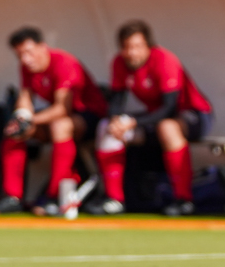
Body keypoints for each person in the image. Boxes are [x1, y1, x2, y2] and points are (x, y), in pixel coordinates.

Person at [87, 20, 213, 216]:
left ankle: (183, 199)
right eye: (127, 47)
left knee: (167, 127)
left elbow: (169, 108)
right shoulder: (119, 62)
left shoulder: (164, 60)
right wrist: (115, 121)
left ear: (148, 46)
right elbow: (117, 101)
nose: (132, 53)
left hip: (195, 114)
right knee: (106, 127)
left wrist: (134, 123)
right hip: (155, 118)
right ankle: (114, 199)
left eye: (137, 47)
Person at [0, 27, 107, 215]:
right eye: (20, 55)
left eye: (29, 52)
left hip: (89, 117)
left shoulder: (64, 62)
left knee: (60, 126)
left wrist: (31, 119)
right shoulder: (26, 67)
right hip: (55, 119)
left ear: (42, 47)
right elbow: (25, 98)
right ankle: (12, 197)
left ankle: (55, 196)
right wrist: (21, 119)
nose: (25, 59)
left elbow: (62, 108)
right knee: (15, 131)